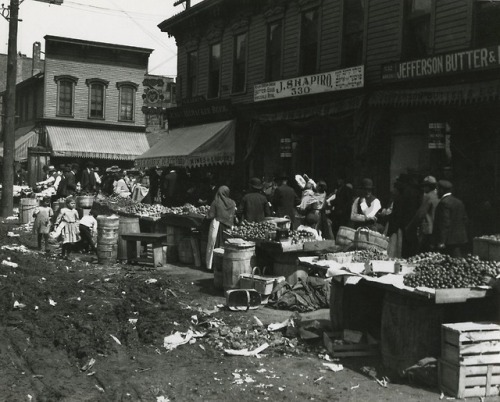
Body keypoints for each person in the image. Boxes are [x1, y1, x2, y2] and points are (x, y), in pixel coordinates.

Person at [433, 180, 468, 258]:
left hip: (448, 241)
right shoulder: (459, 202)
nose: (436, 192)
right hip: (459, 239)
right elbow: (465, 219)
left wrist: (442, 241)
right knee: (456, 260)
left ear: (442, 190)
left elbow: (444, 223)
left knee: (449, 262)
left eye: (437, 189)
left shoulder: (443, 203)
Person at [205, 185, 236, 270]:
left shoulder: (216, 202)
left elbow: (211, 215)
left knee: (214, 245)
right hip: (228, 228)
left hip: (217, 226)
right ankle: (226, 266)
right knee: (226, 247)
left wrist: (206, 215)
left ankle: (213, 266)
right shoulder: (232, 203)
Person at [407, 175, 440, 253]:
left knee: (422, 252)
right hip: (437, 229)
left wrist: (410, 226)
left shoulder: (428, 197)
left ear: (429, 186)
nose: (423, 188)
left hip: (428, 229)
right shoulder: (438, 196)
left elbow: (420, 214)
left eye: (424, 186)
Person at [54, 196, 80, 260]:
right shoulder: (63, 210)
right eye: (71, 203)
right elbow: (58, 218)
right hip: (65, 226)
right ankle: (63, 254)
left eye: (74, 203)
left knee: (71, 241)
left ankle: (68, 255)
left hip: (72, 226)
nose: (73, 205)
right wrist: (56, 225)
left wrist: (77, 228)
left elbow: (77, 220)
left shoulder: (75, 211)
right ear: (67, 204)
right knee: (65, 241)